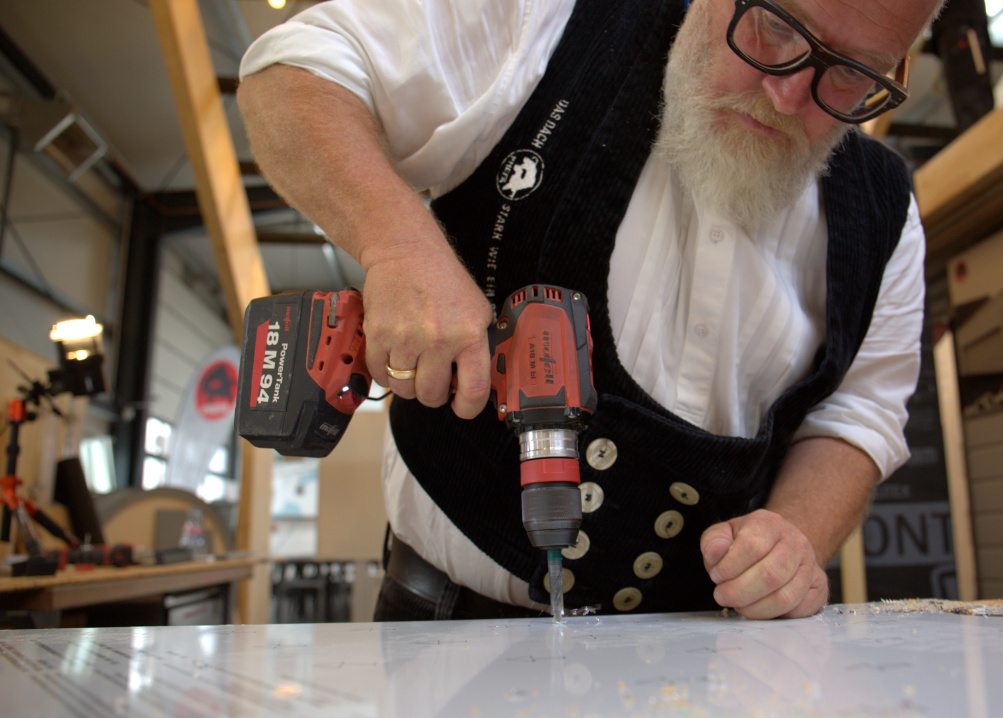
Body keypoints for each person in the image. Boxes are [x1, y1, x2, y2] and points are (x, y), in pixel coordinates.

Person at [238, 0, 941, 621]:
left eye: (852, 72)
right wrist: (399, 247)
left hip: (703, 655)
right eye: (776, 25)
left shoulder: (886, 216)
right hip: (445, 627)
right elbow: (293, 72)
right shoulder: (548, 19)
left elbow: (857, 417)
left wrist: (794, 536)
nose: (787, 95)